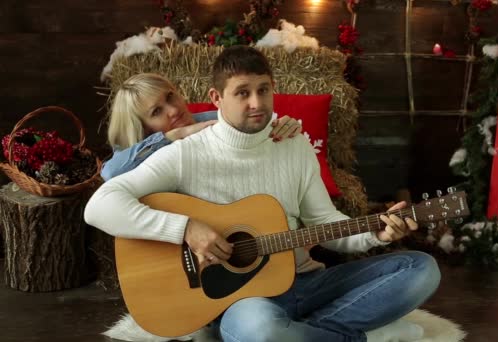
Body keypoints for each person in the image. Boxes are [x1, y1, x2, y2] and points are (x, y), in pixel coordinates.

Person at [85, 46, 440, 342]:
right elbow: (99, 206)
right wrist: (186, 229)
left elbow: (325, 222)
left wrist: (374, 233)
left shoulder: (294, 143)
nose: (256, 103)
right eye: (242, 93)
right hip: (244, 301)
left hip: (309, 281)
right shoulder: (183, 153)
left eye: (264, 90)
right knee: (260, 329)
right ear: (216, 98)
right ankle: (353, 335)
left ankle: (308, 334)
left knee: (422, 268)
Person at [100, 73, 302, 181]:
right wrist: (174, 136)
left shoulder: (213, 119)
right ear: (143, 128)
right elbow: (110, 173)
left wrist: (283, 125)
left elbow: (258, 123)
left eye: (170, 96)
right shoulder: (135, 151)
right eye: (156, 112)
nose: (173, 110)